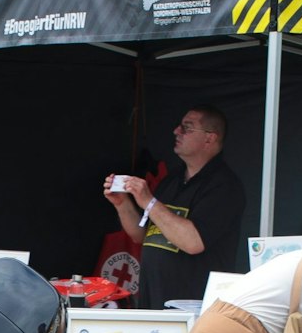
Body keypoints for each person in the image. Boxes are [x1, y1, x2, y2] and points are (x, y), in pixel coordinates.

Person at [104, 107, 247, 310]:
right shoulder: (171, 180)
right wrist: (122, 203)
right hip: (153, 303)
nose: (176, 131)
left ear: (209, 138)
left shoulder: (224, 186)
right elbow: (141, 235)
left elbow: (193, 242)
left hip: (192, 308)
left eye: (186, 128)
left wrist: (149, 202)